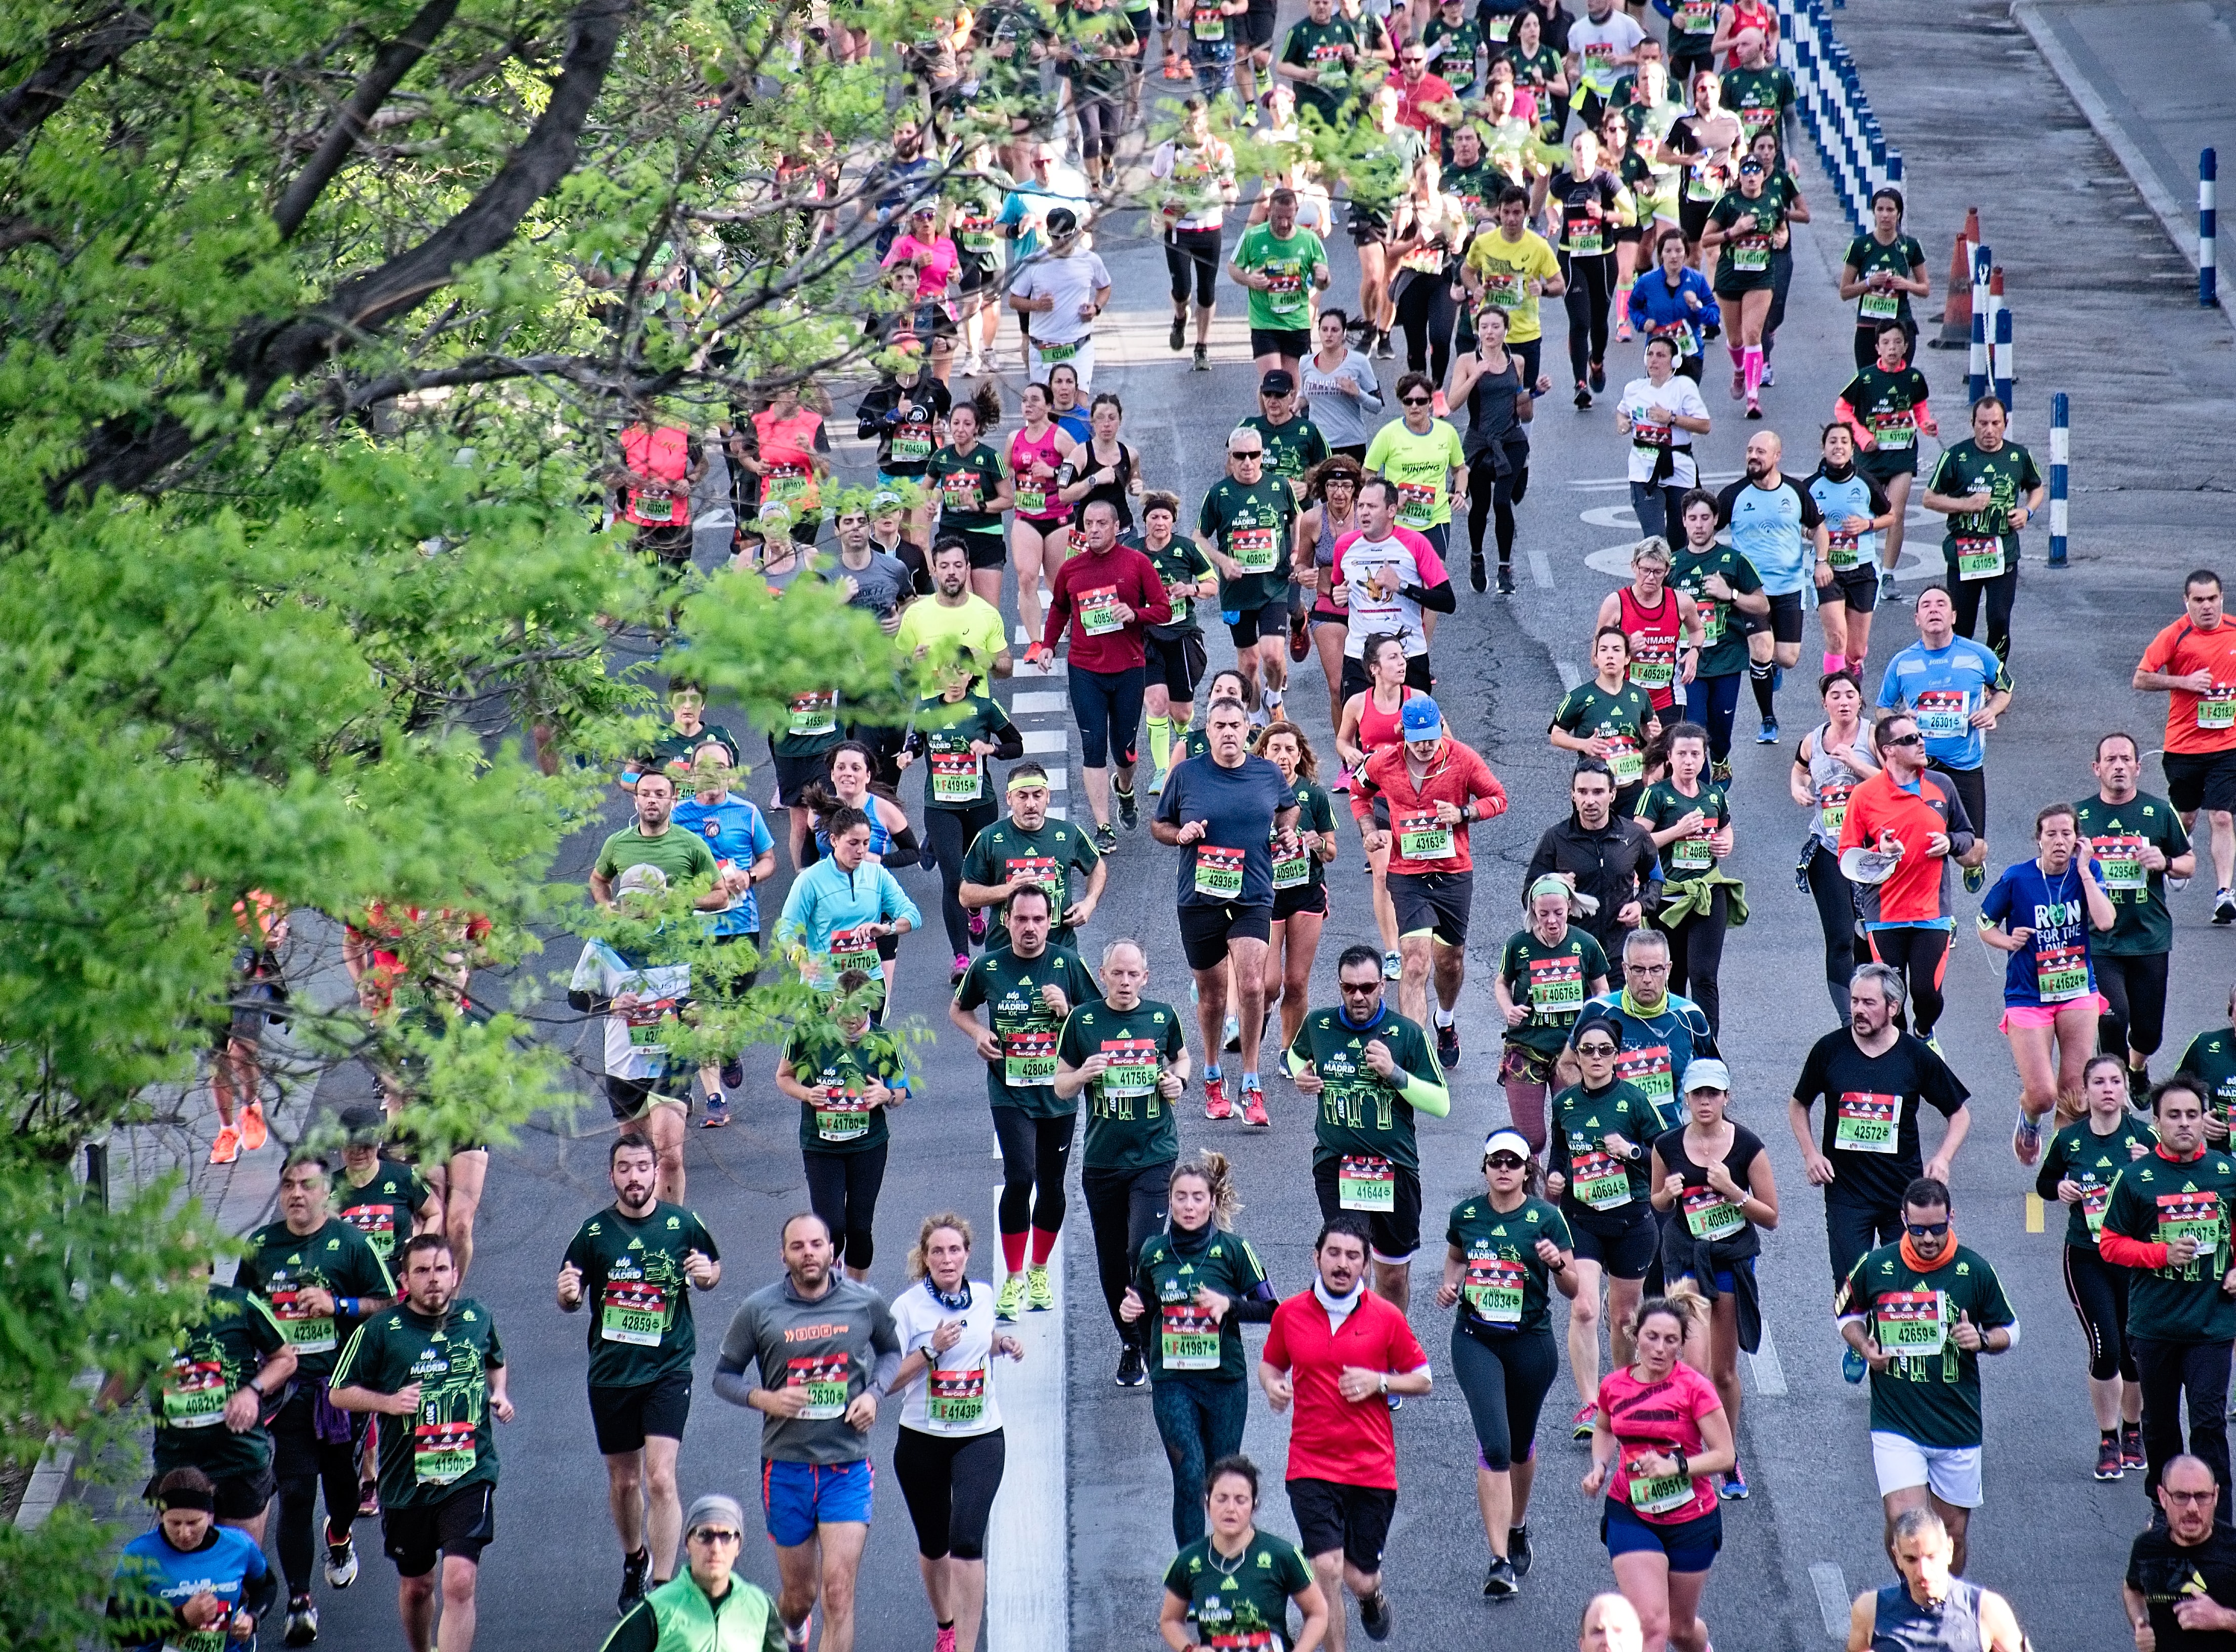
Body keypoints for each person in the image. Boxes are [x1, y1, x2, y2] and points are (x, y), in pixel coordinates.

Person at [711, 1215, 899, 1652]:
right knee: (801, 1596)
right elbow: (723, 1376)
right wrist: (764, 1399)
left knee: (837, 1592)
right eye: (798, 1246)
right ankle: (791, 1629)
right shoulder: (759, 1309)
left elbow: (891, 1351)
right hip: (787, 1467)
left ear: (832, 1251)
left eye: (817, 1244)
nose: (808, 1253)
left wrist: (873, 1394)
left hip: (846, 1465)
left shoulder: (863, 1301)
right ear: (783, 1255)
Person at [557, 1134, 722, 1610]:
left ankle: (664, 1588)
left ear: (657, 1173)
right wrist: (568, 1294)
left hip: (668, 1367)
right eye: (625, 1168)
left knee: (660, 1479)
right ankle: (635, 1558)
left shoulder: (682, 1223)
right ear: (612, 1176)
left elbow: (712, 1270)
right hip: (611, 1373)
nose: (634, 1177)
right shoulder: (592, 1234)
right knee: (625, 1481)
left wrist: (708, 1276)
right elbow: (568, 1294)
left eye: (642, 1167)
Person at [239, 1150, 397, 1646]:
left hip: (340, 1392)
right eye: (288, 1185)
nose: (296, 1194)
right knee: (296, 1492)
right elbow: (242, 1310)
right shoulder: (261, 1246)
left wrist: (338, 1304)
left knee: (343, 1490)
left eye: (306, 1185)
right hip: (287, 1396)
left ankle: (340, 1535)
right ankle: (300, 1600)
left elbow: (389, 1302)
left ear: (326, 1192)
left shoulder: (349, 1243)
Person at [329, 1234, 512, 1652]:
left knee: (460, 1580)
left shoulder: (476, 1317)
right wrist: (388, 1402)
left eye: (441, 1270)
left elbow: (495, 1362)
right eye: (423, 1271)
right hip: (407, 1481)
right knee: (417, 1585)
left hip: (469, 1469)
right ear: (405, 1280)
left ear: (456, 1274)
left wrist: (499, 1394)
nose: (433, 1280)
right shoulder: (380, 1332)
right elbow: (339, 1392)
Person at [1258, 1219, 1432, 1651]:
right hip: (1311, 1464)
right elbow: (1271, 1363)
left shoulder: (1385, 1318)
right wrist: (1272, 1385)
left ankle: (1372, 1597)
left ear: (1365, 1266)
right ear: (1316, 1257)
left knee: (1357, 1577)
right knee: (1326, 1570)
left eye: (1353, 1256)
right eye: (1333, 1253)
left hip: (1370, 1467)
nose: (1342, 1264)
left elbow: (1423, 1378)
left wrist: (1380, 1382)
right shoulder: (1290, 1314)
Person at [1835, 1176, 2016, 1577]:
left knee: (1952, 1531)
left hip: (1956, 1422)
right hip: (1895, 1421)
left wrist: (1983, 1339)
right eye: (1917, 1230)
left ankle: (1945, 1606)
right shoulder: (1877, 1265)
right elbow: (1847, 1315)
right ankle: (1912, 1598)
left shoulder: (1974, 1270)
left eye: (1937, 1228)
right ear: (1903, 1220)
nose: (1929, 1239)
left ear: (1951, 1217)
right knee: (1907, 1526)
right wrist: (1865, 1347)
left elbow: (2011, 1329)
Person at [1791, 961, 1971, 1338]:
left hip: (1900, 1194)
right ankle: (1856, 1342)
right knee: (1849, 1282)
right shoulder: (1830, 1050)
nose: (1858, 1010)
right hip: (1846, 1192)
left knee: (1901, 1286)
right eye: (1855, 1001)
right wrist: (1811, 1154)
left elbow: (1959, 1114)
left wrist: (1942, 1158)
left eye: (1868, 1003)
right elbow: (1799, 1105)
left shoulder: (1914, 1056)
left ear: (1892, 1007)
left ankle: (1892, 1356)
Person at [951, 882, 1103, 1317]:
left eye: (1038, 919)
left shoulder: (1068, 963)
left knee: (1052, 1187)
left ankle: (1039, 1270)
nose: (1030, 928)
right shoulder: (989, 966)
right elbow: (959, 1010)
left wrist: (1068, 1010)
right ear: (1006, 921)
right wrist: (979, 1033)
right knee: (1021, 1176)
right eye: (1021, 919)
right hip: (1008, 1088)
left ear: (1049, 922)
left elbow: (1100, 1021)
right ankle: (1014, 1278)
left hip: (1059, 1089)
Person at [1437, 1129, 1577, 1598]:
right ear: (1484, 1168)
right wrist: (1450, 1285)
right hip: (1476, 1340)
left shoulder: (1545, 1218)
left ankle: (1517, 1525)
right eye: (1495, 1161)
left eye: (1512, 1163)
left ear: (1526, 1171)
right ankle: (1498, 1560)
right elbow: (1456, 1257)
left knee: (1519, 1445)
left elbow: (1574, 1289)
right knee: (1494, 1445)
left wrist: (1557, 1264)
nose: (1503, 1169)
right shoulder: (1466, 1215)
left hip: (1531, 1344)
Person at [1054, 938, 1192, 1385]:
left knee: (1142, 1249)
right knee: (1113, 1262)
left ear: (1146, 977)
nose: (1126, 982)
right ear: (1104, 974)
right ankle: (1130, 1342)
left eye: (1134, 974)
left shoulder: (1161, 1017)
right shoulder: (1083, 1021)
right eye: (1118, 973)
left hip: (1154, 1153)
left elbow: (1182, 1060)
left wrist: (1177, 1082)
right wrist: (1082, 1075)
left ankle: (1153, 1338)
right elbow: (1060, 1085)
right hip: (1102, 1161)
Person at [1156, 695, 1297, 1124]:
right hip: (1199, 899)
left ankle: (1252, 1082)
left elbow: (1288, 808)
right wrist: (1181, 835)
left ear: (1247, 730)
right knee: (1214, 996)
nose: (1228, 733)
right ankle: (1213, 1073)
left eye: (1236, 725)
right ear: (1209, 732)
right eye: (1219, 726)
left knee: (1253, 984)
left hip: (1253, 893)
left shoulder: (1266, 773)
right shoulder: (1187, 775)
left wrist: (1287, 833)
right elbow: (1158, 825)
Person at [1287, 945, 1453, 1310]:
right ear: (1339, 987)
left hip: (1393, 1167)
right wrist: (1302, 1073)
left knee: (1392, 1275)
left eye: (1367, 987)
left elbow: (1441, 1104)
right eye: (1349, 988)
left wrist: (1395, 1074)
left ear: (1382, 985)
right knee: (1351, 1264)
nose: (1358, 996)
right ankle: (1352, 1350)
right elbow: (1296, 1053)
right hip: (1337, 1163)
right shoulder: (1319, 1024)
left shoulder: (1406, 1034)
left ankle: (1388, 1349)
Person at [886, 1215, 1024, 1652]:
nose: (947, 1259)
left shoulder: (982, 1296)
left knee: (965, 1538)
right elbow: (885, 1381)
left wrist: (1001, 1344)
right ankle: (945, 1624)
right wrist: (931, 1350)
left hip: (980, 1435)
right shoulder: (907, 1309)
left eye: (955, 1250)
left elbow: (983, 1337)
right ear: (924, 1260)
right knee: (934, 1544)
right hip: (922, 1439)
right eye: (937, 1252)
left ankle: (964, 1646)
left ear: (967, 1254)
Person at [1124, 1154, 1279, 1543]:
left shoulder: (1233, 1250)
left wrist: (1231, 1306)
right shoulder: (1152, 1252)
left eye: (1197, 1198)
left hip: (1224, 1381)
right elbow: (1142, 1303)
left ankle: (1229, 1563)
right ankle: (1190, 1575)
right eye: (1181, 1198)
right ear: (1169, 1202)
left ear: (1212, 1202)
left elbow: (1274, 1311)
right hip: (1173, 1381)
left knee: (1222, 1479)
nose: (1189, 1207)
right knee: (1189, 1473)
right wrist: (1134, 1313)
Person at [2096, 1076, 2236, 1500]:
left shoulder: (2225, 1172)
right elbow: (2109, 1244)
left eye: (2192, 1115)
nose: (2184, 1124)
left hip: (2211, 1322)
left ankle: (2219, 1521)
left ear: (2203, 1119)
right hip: (2155, 1323)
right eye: (2173, 1116)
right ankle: (2164, 1510)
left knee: (2208, 1421)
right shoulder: (2136, 1178)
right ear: (2156, 1122)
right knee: (2159, 1427)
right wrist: (2160, 1255)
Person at [1351, 694, 1507, 1060]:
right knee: (1415, 959)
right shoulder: (1382, 762)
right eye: (1417, 738)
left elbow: (1498, 798)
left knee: (1449, 961)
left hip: (1453, 873)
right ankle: (1412, 1053)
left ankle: (1446, 1020)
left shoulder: (1462, 758)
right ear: (1402, 733)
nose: (1424, 746)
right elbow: (1358, 792)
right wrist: (1368, 829)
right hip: (1407, 874)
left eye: (1431, 738)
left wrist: (1464, 811)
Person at [1582, 1288, 1734, 1652]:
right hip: (1631, 1512)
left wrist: (1675, 1467)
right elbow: (1604, 1427)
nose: (1660, 1348)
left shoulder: (1695, 1389)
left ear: (1681, 1346)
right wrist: (1600, 1465)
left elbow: (1725, 1456)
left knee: (1679, 1630)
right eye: (1652, 1337)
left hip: (1690, 1519)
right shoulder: (1614, 1386)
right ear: (1635, 1336)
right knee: (1649, 1623)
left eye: (1671, 1340)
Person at [1651, 1061, 1775, 1500]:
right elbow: (1658, 1203)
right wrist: (1665, 1196)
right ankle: (1686, 1457)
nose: (1705, 1102)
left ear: (1726, 1097)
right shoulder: (1666, 1146)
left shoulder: (1747, 1147)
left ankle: (1727, 1456)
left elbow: (1771, 1216)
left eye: (1713, 1094)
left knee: (1722, 1373)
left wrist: (1734, 1193)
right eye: (1697, 1095)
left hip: (1730, 1260)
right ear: (1684, 1099)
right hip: (1686, 1258)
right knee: (1694, 1366)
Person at [114, 1254, 296, 1548]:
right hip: (179, 1463)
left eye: (192, 1266)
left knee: (238, 1571)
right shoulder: (150, 1321)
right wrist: (92, 1410)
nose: (184, 1276)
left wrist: (253, 1390)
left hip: (240, 1457)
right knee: (186, 1570)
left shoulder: (241, 1305)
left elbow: (285, 1359)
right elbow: (130, 1375)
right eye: (175, 1268)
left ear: (209, 1270)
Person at [1545, 1012, 1662, 1441]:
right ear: (1576, 1055)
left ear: (1617, 1055)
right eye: (1588, 1050)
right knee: (1583, 1307)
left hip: (1631, 1221)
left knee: (1624, 1317)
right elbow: (1559, 1154)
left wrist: (1630, 1150)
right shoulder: (1564, 1104)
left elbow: (1664, 1154)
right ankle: (1590, 1404)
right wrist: (1555, 1178)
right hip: (1582, 1221)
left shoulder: (1633, 1100)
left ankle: (1622, 1395)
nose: (1596, 1058)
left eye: (1605, 1050)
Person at [2039, 1054, 2154, 1480]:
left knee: (2133, 1351)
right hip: (2086, 1256)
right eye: (2099, 1083)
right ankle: (2108, 1437)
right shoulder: (2070, 1141)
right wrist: (2061, 1188)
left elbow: (2174, 1195)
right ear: (2085, 1093)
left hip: (2135, 1259)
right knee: (2105, 1346)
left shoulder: (2145, 1137)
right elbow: (2043, 1185)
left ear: (2125, 1090)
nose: (2108, 1089)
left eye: (2115, 1082)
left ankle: (2132, 1429)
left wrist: (2153, 1165)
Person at [1982, 803, 2117, 1166]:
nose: (2059, 841)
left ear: (2077, 839)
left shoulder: (2086, 873)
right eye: (2051, 834)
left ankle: (2063, 1164)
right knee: (2043, 1094)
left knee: (2074, 1093)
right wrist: (2006, 941)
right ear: (2038, 840)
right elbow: (1983, 924)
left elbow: (2104, 922)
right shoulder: (2017, 878)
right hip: (2028, 994)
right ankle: (2029, 1119)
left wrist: (2087, 872)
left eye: (2067, 834)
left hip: (2076, 991)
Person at [1837, 709, 1976, 1047]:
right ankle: (1901, 1057)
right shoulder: (1865, 796)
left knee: (1926, 994)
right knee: (1890, 999)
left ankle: (1925, 1032)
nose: (1921, 743)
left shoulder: (1941, 786)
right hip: (1885, 915)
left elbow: (1967, 835)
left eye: (1920, 736)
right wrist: (1879, 852)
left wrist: (1950, 843)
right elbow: (1846, 855)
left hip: (1932, 912)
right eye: (1910, 739)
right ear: (1889, 750)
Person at [1045, 498, 1170, 851]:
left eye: (1102, 523)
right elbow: (1057, 609)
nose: (1095, 530)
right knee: (1092, 746)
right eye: (1089, 523)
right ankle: (1102, 826)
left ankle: (1125, 789)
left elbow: (1162, 609)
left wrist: (1134, 614)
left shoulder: (1137, 563)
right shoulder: (1072, 570)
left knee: (1125, 751)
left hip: (1129, 668)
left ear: (1116, 527)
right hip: (1085, 668)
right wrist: (1047, 645)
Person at [571, 866, 700, 1201]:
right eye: (627, 901)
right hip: (625, 1064)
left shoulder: (682, 938)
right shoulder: (603, 942)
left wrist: (698, 1012)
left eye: (642, 900)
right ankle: (640, 1225)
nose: (633, 907)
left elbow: (704, 990)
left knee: (669, 1156)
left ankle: (671, 1232)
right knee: (635, 1162)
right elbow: (576, 997)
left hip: (673, 1060)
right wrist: (611, 1004)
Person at [778, 970, 912, 1281]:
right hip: (821, 1145)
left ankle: (856, 1296)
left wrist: (886, 1095)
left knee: (860, 1228)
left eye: (861, 1011)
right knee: (831, 1226)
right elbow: (783, 1077)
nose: (852, 1019)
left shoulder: (882, 1040)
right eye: (845, 1009)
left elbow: (901, 1092)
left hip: (869, 1144)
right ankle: (828, 1289)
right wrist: (807, 1093)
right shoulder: (807, 1035)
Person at [1875, 582, 2007, 893]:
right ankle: (1940, 914)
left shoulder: (1979, 656)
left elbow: (2005, 689)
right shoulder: (1902, 662)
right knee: (1920, 845)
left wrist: (1992, 711)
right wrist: (1897, 720)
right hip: (1918, 768)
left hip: (1964, 766)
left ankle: (1965, 855)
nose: (1934, 610)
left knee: (1971, 854)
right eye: (1926, 606)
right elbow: (1882, 708)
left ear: (1954, 616)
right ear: (1917, 620)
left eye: (1941, 605)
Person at [671, 749, 778, 1125]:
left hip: (740, 928)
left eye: (719, 768)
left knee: (727, 1014)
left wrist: (748, 878)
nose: (711, 774)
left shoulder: (747, 813)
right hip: (695, 932)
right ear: (692, 774)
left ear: (731, 773)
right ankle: (714, 1097)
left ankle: (730, 1049)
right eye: (703, 768)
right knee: (699, 1016)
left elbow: (768, 859)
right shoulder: (677, 818)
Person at [898, 659, 1023, 979]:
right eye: (949, 673)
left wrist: (991, 748)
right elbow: (917, 739)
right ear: (938, 673)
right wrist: (909, 755)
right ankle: (961, 960)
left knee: (982, 876)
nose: (956, 681)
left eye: (963, 673)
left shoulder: (985, 707)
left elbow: (1016, 745)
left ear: (972, 675)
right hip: (940, 806)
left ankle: (977, 910)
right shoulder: (927, 709)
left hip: (981, 804)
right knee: (953, 878)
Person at [2134, 568, 2236, 928]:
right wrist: (2184, 682)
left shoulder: (2233, 631)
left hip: (2228, 745)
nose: (2206, 606)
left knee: (2222, 815)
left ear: (2221, 599)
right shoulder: (2175, 636)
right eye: (2198, 600)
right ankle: (2177, 852)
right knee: (2186, 817)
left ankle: (2224, 893)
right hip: (2184, 746)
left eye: (2212, 599)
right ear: (2186, 602)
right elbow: (2141, 677)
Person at [1715, 427, 1826, 743]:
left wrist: (1821, 561)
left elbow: (1819, 528)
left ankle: (1769, 667)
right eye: (1750, 450)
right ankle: (1768, 719)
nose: (1753, 456)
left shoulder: (1796, 491)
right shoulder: (1733, 495)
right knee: (1762, 650)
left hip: (1789, 586)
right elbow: (1709, 529)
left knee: (1787, 657)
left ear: (1777, 456)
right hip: (1752, 590)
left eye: (1760, 452)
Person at [1160, 1456, 1329, 1652]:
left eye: (1241, 1501)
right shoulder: (1189, 1561)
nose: (1231, 1509)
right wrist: (1190, 1649)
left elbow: (1318, 1612)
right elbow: (1170, 1620)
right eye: (1221, 1499)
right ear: (1207, 1503)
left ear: (1254, 1506)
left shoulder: (1282, 1555)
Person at [1921, 395, 2043, 664]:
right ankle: (1963, 674)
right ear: (1972, 424)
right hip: (1964, 552)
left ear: (2005, 424)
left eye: (1995, 423)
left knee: (1999, 619)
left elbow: (2036, 487)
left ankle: (1994, 677)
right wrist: (1965, 504)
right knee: (1962, 623)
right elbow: (1929, 498)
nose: (1989, 430)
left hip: (2003, 550)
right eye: (1983, 424)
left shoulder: (2018, 456)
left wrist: (2027, 511)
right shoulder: (1955, 456)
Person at [1497, 879, 1612, 1154]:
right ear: (1533, 912)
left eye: (1558, 913)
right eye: (1543, 914)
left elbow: (1602, 990)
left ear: (1570, 908)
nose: (1551, 921)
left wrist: (1591, 1016)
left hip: (1572, 1051)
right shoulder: (1518, 944)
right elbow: (1502, 983)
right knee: (1531, 1140)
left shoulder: (1585, 944)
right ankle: (1527, 1191)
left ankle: (1561, 1193)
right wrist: (1509, 1009)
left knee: (1573, 1135)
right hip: (1526, 1048)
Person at [108, 1469, 280, 1652]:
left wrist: (252, 1619)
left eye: (193, 1523)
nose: (184, 1534)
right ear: (161, 1517)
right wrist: (181, 1619)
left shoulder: (238, 1545)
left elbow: (266, 1586)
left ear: (210, 1517)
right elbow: (116, 1633)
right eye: (174, 1523)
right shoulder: (139, 1554)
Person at [1197, 427, 1303, 720]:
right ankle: (1255, 717)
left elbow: (1297, 516)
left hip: (1274, 586)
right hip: (1238, 592)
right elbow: (1198, 537)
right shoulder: (1219, 494)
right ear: (1230, 458)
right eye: (1240, 456)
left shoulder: (1279, 486)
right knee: (1249, 662)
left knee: (1272, 654)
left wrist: (1295, 552)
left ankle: (1274, 695)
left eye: (1253, 455)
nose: (1247, 462)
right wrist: (1222, 561)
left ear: (1262, 457)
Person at [1635, 722, 1733, 1035]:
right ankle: (1675, 1041)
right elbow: (1637, 843)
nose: (1689, 761)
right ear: (1669, 757)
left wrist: (1725, 842)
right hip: (1668, 898)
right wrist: (1677, 832)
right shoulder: (1656, 795)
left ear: (1704, 758)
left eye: (1695, 754)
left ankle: (1708, 1047)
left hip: (1707, 893)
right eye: (1682, 754)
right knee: (1673, 978)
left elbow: (1725, 829)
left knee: (1704, 975)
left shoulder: (1714, 796)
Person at [1792, 672, 1880, 1018]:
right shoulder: (1813, 740)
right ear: (1824, 703)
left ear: (1860, 700)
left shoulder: (1873, 737)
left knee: (1871, 938)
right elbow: (1799, 770)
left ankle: (1878, 1010)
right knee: (1841, 937)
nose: (1843, 701)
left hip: (1872, 852)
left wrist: (1855, 764)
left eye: (1849, 695)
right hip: (1828, 848)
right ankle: (1848, 1019)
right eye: (1835, 695)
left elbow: (1896, 781)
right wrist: (1798, 787)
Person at [597, 1493, 785, 1652]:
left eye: (726, 1536)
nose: (716, 1548)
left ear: (739, 1546)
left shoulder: (760, 1606)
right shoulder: (658, 1608)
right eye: (705, 1536)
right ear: (688, 1544)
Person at [1667, 488, 1768, 780]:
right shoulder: (1672, 565)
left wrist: (1730, 594)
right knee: (1695, 729)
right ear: (1683, 522)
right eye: (1692, 518)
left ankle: (1722, 757)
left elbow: (1761, 605)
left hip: (1726, 658)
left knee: (1720, 731)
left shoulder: (1734, 560)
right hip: (1690, 662)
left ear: (1715, 521)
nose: (1699, 525)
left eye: (1705, 518)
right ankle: (1700, 791)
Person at [1835, 319, 1936, 599]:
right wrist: (1862, 437)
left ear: (1905, 347)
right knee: (1863, 513)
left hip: (1902, 455)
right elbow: (1842, 410)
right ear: (1877, 348)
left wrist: (1926, 424)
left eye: (1897, 343)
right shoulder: (1865, 378)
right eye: (1886, 343)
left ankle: (1888, 575)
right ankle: (1857, 567)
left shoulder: (1914, 378)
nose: (1892, 348)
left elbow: (1919, 408)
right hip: (1869, 457)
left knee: (1896, 512)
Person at [773, 805, 921, 996]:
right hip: (825, 987)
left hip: (868, 985)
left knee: (870, 1027)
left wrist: (887, 929)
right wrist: (803, 962)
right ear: (834, 840)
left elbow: (913, 916)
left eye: (866, 843)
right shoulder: (810, 880)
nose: (861, 851)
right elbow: (786, 930)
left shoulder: (877, 875)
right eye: (853, 843)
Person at [958, 762, 1106, 951]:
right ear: (1009, 799)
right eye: (1022, 796)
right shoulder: (990, 838)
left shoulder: (1068, 833)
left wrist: (1090, 902)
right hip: (1004, 952)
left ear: (1048, 796)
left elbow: (1097, 865)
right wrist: (1008, 890)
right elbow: (965, 895)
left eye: (1038, 795)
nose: (1031, 804)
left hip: (1060, 951)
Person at [1524, 760, 1659, 966]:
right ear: (1573, 795)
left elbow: (1656, 879)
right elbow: (1529, 895)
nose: (1590, 800)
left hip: (1620, 953)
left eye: (1598, 792)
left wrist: (1641, 905)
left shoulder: (1635, 835)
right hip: (1571, 952)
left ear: (1612, 794)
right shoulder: (1556, 838)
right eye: (1583, 792)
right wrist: (1550, 883)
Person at [1330, 479, 1449, 705]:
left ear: (1391, 510)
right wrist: (1338, 599)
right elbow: (1336, 591)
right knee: (1362, 735)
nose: (1364, 512)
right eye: (1361, 506)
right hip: (1361, 657)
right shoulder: (1345, 545)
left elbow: (1447, 601)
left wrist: (1402, 587)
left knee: (1413, 735)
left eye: (1372, 507)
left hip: (1407, 656)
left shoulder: (1416, 544)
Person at [1849, 1507, 2029, 1652]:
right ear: (1897, 1557)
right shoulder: (1870, 1610)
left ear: (1949, 1550)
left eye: (1931, 1557)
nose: (1923, 1572)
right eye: (1911, 1559)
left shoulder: (1987, 1610)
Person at [1261, 723, 1340, 1052]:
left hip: (1306, 892)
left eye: (1289, 749)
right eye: (1275, 748)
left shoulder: (1314, 794)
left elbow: (1332, 852)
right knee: (1268, 984)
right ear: (1262, 753)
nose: (1282, 756)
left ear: (1299, 755)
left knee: (1295, 981)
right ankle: (1260, 1011)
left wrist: (1316, 842)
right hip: (1264, 896)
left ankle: (1288, 1050)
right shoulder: (1252, 791)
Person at [1448, 305, 1533, 595]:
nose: (1490, 332)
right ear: (1478, 331)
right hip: (1480, 443)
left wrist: (1535, 394)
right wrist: (1475, 377)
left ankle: (1505, 568)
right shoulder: (1467, 361)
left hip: (1511, 440)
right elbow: (1452, 403)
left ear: (1506, 330)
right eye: (1484, 327)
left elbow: (1519, 403)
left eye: (1496, 327)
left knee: (1502, 503)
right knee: (1481, 506)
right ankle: (1476, 557)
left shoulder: (1517, 361)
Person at [1137, 489, 1217, 794]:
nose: (1160, 522)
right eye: (1154, 517)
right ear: (1146, 522)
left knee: (1182, 713)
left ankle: (1184, 749)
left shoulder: (1186, 549)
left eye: (1165, 517)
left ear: (1173, 521)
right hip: (1147, 636)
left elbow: (1212, 585)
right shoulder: (1133, 551)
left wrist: (1191, 590)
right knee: (1156, 703)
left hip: (1183, 635)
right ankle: (1161, 772)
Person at [1805, 422, 1897, 680]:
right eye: (1833, 441)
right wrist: (1813, 532)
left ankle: (1854, 664)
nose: (1839, 447)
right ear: (1823, 448)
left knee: (1854, 649)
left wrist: (1867, 524)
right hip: (1827, 570)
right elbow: (1799, 524)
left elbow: (1890, 516)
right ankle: (1835, 691)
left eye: (1844, 442)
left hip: (1862, 570)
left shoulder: (1866, 482)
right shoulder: (1810, 486)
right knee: (1836, 637)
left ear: (1852, 449)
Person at [1153, 98, 1241, 370]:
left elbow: (1231, 189)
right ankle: (1180, 317)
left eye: (1198, 120)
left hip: (1209, 228)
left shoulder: (1220, 150)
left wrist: (1229, 198)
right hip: (1179, 230)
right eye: (1188, 121)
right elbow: (1155, 187)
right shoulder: (1167, 151)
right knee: (1182, 291)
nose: (1193, 126)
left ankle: (1202, 346)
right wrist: (1161, 209)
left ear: (1206, 120)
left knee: (1207, 290)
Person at [2125, 1456, 2236, 1652]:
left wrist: (2223, 1619)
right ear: (2163, 1496)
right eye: (2181, 1497)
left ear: (2216, 1495)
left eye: (2202, 1496)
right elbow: (2132, 1589)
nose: (2193, 1508)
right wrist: (2140, 1623)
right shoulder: (2146, 1547)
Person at [1462, 186, 1565, 397]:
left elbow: (1559, 285)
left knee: (1525, 400)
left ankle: (1523, 431)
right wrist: (1475, 289)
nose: (1511, 219)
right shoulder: (1484, 243)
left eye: (1517, 213)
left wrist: (1544, 289)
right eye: (1506, 212)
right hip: (1492, 335)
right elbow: (1467, 271)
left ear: (1526, 214)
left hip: (1526, 335)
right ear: (1498, 212)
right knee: (1491, 397)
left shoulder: (1539, 246)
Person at [1551, 627, 1661, 815]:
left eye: (1616, 650)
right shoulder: (1579, 697)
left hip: (1632, 788)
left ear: (1627, 658)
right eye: (1603, 650)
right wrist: (1584, 744)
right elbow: (1556, 735)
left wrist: (1655, 735)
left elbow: (1647, 734)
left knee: (1631, 843)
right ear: (1596, 658)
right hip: (1595, 791)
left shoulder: (1639, 695)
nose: (1610, 655)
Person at [1614, 339, 1711, 544]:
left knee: (1681, 539)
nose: (1654, 360)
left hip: (1679, 467)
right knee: (1655, 538)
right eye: (1650, 355)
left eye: (1661, 355)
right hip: (1644, 469)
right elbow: (1622, 411)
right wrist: (1623, 424)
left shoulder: (1684, 387)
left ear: (1674, 361)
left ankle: (1678, 575)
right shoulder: (1634, 389)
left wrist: (1672, 419)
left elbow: (1704, 425)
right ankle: (1657, 574)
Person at [1230, 187, 1331, 379]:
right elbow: (1233, 268)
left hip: (1297, 323)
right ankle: (1265, 410)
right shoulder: (1253, 237)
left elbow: (1324, 284)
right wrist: (1250, 280)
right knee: (1273, 383)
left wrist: (1323, 278)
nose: (1284, 224)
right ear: (1269, 213)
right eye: (1278, 218)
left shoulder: (1309, 240)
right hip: (1265, 322)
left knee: (1293, 388)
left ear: (1296, 211)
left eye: (1289, 218)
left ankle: (1279, 409)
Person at [1363, 374, 1468, 558]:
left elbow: (1459, 469)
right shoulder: (1388, 434)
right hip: (1398, 521)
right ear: (1402, 403)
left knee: (1433, 579)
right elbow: (1367, 473)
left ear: (1430, 402)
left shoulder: (1447, 433)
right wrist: (1391, 497)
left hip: (1437, 519)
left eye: (1420, 401)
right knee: (1399, 580)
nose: (1414, 406)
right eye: (1408, 401)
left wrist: (1460, 492)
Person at [927, 393, 1015, 613]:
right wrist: (930, 502)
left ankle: (988, 649)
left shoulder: (990, 458)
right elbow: (924, 491)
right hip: (952, 535)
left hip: (986, 537)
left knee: (987, 612)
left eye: (967, 424)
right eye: (956, 423)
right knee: (958, 608)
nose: (960, 429)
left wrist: (980, 506)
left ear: (976, 428)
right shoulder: (941, 457)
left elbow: (1008, 500)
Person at [1009, 208, 1112, 388]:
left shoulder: (1090, 260)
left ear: (1077, 233)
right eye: (1056, 237)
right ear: (1048, 234)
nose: (1062, 241)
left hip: (1079, 345)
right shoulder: (1033, 263)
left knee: (1079, 404)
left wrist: (1096, 308)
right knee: (1046, 409)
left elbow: (1104, 287)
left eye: (1067, 236)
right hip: (1044, 348)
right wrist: (1037, 305)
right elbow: (1014, 300)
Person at [896, 539, 1013, 689]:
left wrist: (991, 663)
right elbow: (897, 664)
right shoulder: (915, 614)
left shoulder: (987, 613)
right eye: (944, 566)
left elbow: (1007, 668)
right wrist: (912, 662)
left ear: (968, 569)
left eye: (958, 565)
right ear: (934, 571)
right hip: (932, 710)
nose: (952, 572)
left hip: (976, 710)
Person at [1838, 186, 1930, 369]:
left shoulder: (1910, 246)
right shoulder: (1860, 245)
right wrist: (1869, 283)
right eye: (1880, 210)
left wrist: (1906, 284)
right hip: (1868, 327)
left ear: (1899, 213)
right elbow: (1845, 292)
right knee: (1869, 383)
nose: (1885, 215)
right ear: (1873, 213)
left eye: (1890, 210)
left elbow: (1925, 289)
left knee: (1899, 381)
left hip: (1901, 325)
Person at [1624, 228, 1720, 388]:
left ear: (1686, 254)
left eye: (1679, 250)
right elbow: (1633, 307)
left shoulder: (1697, 281)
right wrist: (1642, 322)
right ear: (1661, 254)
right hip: (1658, 355)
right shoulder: (1647, 282)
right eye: (1668, 251)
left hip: (1691, 354)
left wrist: (1697, 307)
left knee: (1685, 404)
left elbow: (1714, 316)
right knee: (1660, 403)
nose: (1674, 256)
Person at [1302, 308, 1383, 466]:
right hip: (1319, 444)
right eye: (1324, 330)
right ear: (1318, 332)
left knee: (1348, 489)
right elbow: (1304, 396)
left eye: (1335, 330)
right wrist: (1294, 404)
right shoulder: (1306, 363)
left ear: (1344, 333)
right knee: (1318, 490)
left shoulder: (1359, 362)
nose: (1329, 334)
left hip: (1350, 444)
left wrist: (1357, 393)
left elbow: (1378, 406)